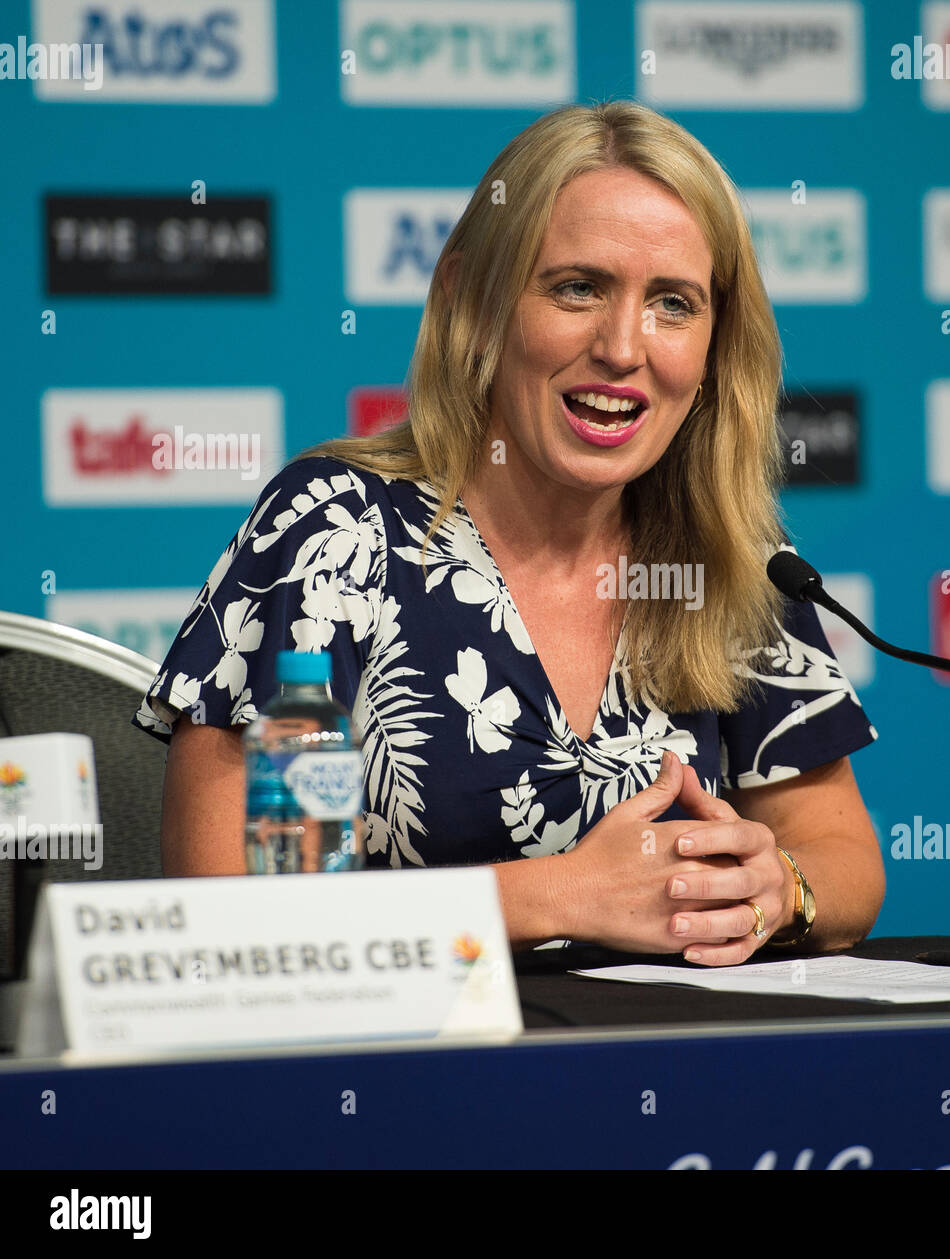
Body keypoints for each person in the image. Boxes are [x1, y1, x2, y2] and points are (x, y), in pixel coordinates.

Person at [133, 100, 885, 966]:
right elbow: (228, 912)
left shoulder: (726, 563)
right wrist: (562, 891)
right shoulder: (335, 533)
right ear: (471, 301)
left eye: (673, 304)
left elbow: (845, 861)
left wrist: (779, 886)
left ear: (715, 349)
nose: (622, 347)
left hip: (674, 1075)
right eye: (578, 288)